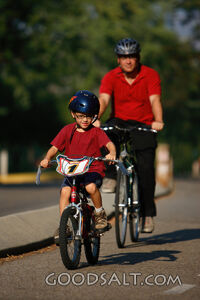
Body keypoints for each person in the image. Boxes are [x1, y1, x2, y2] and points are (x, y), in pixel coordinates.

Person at [96, 38, 164, 233]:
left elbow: (155, 100)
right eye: (124, 57)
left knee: (146, 171)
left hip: (144, 124)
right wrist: (96, 118)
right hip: (120, 120)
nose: (128, 61)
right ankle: (111, 176)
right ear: (118, 59)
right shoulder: (110, 77)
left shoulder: (150, 75)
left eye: (132, 56)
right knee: (105, 134)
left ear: (138, 57)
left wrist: (158, 120)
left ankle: (147, 215)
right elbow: (104, 99)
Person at [40, 90, 116, 242]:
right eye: (81, 116)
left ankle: (100, 214)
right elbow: (55, 148)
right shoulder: (67, 130)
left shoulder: (96, 132)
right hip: (73, 171)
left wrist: (112, 153)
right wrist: (47, 158)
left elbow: (109, 144)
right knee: (65, 192)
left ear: (94, 116)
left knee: (90, 188)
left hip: (92, 170)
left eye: (89, 116)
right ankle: (64, 226)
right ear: (73, 114)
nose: (85, 120)